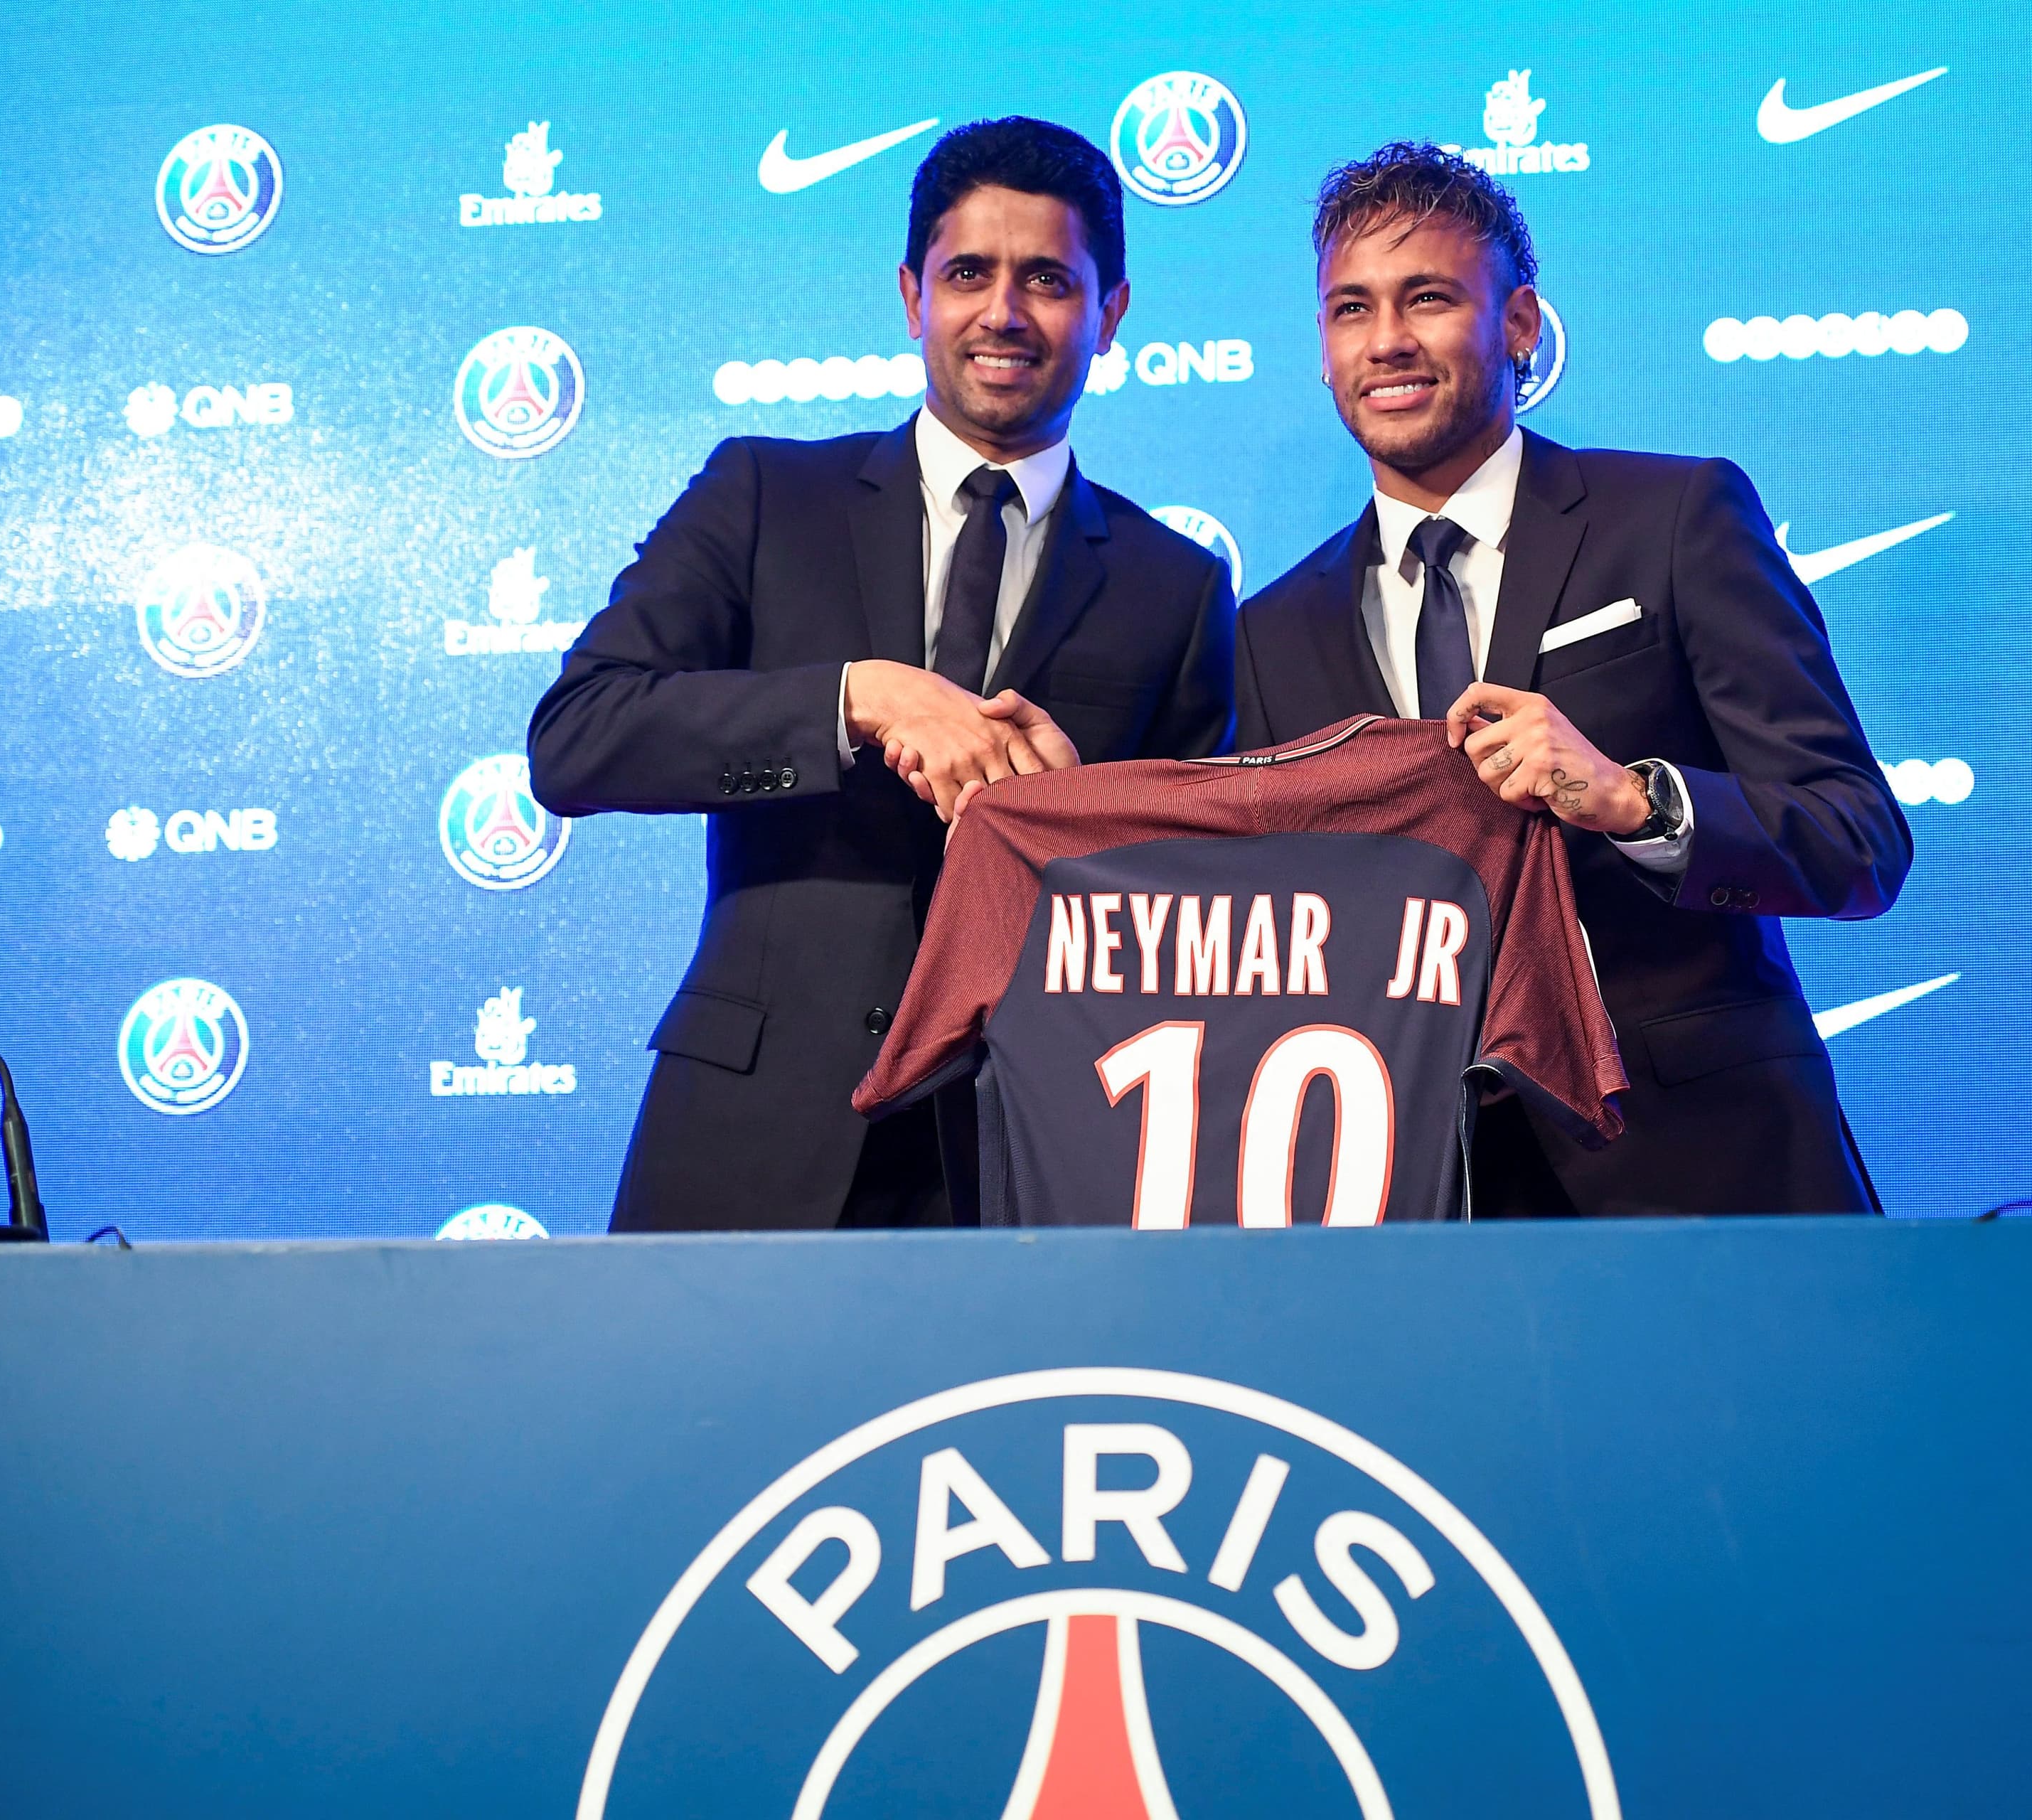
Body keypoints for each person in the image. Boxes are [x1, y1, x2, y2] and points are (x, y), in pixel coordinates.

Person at [529, 117, 1236, 1233]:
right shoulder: (763, 496)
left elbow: (1203, 914)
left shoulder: (1176, 585)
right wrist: (853, 696)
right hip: (751, 1144)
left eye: (1048, 279)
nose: (1003, 313)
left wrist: (1082, 829)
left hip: (1033, 1166)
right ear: (913, 297)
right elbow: (577, 738)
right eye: (969, 274)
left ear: (1112, 315)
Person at [1234, 143, 1910, 1214]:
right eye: (1351, 310)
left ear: (1517, 324)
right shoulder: (1272, 630)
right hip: (1428, 1210)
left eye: (1429, 299)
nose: (1388, 343)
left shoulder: (1678, 521)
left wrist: (1634, 800)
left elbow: (1857, 843)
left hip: (1710, 1174)